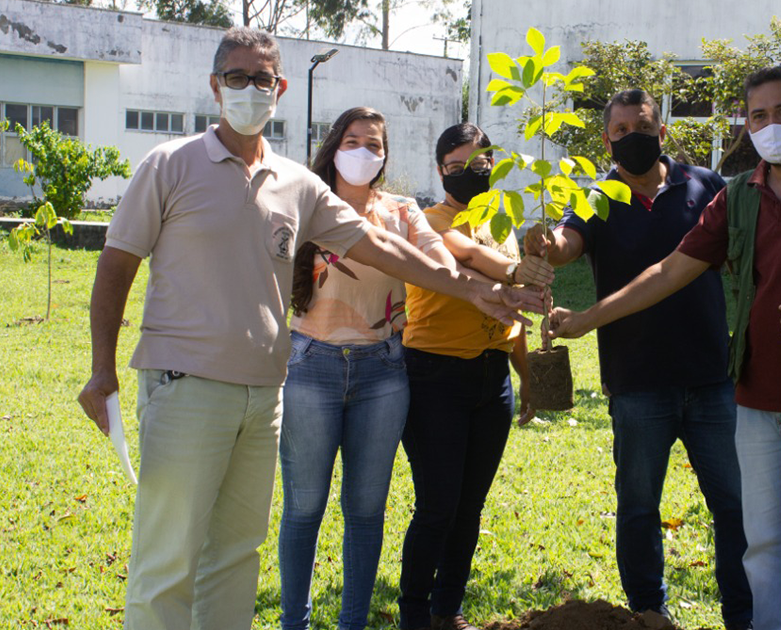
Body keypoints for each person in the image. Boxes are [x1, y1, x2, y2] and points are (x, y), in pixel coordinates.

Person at [75, 28, 539, 630]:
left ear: (280, 89)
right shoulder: (169, 165)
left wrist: (473, 287)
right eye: (236, 78)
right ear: (215, 86)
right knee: (169, 557)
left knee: (237, 555)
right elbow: (116, 264)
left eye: (262, 79)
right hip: (184, 384)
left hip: (265, 393)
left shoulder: (298, 184)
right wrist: (101, 367)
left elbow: (378, 245)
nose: (249, 89)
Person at [549, 66, 781, 630]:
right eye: (759, 115)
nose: (772, 124)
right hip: (754, 395)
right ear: (747, 124)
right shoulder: (738, 195)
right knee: (761, 543)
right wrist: (587, 315)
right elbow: (668, 272)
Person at [524, 88, 752, 630]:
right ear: (607, 141)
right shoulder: (596, 197)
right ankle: (649, 615)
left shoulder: (705, 186)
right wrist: (544, 241)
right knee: (639, 507)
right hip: (637, 383)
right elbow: (567, 243)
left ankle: (743, 615)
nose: (633, 138)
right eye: (621, 130)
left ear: (663, 131)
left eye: (642, 126)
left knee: (735, 505)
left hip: (711, 378)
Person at [278, 107, 457, 630]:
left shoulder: (402, 211)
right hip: (311, 365)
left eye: (374, 144)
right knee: (304, 507)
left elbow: (438, 260)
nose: (363, 152)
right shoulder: (307, 205)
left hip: (383, 373)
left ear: (385, 154)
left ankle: (351, 623)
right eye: (352, 140)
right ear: (334, 146)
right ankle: (295, 622)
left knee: (364, 511)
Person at [397, 122, 553, 630]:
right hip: (435, 376)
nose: (469, 174)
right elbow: (466, 256)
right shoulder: (427, 221)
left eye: (480, 164)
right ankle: (415, 614)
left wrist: (526, 377)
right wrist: (513, 272)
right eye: (456, 167)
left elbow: (516, 316)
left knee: (469, 507)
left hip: (492, 382)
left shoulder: (500, 223)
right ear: (440, 170)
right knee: (438, 504)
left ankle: (448, 611)